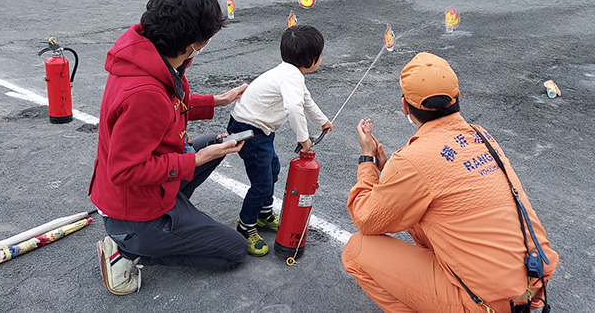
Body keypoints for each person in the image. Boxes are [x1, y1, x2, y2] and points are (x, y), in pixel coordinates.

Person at [342, 52, 559, 313]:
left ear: (405, 106)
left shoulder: (413, 159)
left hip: (483, 302)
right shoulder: (482, 135)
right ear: (457, 98)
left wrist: (367, 159)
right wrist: (388, 169)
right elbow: (427, 187)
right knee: (420, 216)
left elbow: (367, 218)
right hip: (532, 283)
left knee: (356, 250)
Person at [89, 0, 250, 295]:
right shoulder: (144, 94)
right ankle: (128, 252)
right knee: (234, 251)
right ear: (194, 43)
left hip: (141, 194)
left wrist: (219, 99)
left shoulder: (149, 56)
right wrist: (196, 160)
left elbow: (170, 106)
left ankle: (163, 222)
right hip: (135, 212)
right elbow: (124, 171)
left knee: (214, 142)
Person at [227, 25, 333, 256]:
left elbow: (306, 102)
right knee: (262, 182)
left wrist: (322, 122)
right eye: (320, 55)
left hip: (259, 130)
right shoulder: (291, 77)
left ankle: (264, 214)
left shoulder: (291, 73)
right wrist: (303, 138)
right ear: (312, 59)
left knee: (272, 169)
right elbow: (294, 107)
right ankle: (245, 226)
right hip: (250, 130)